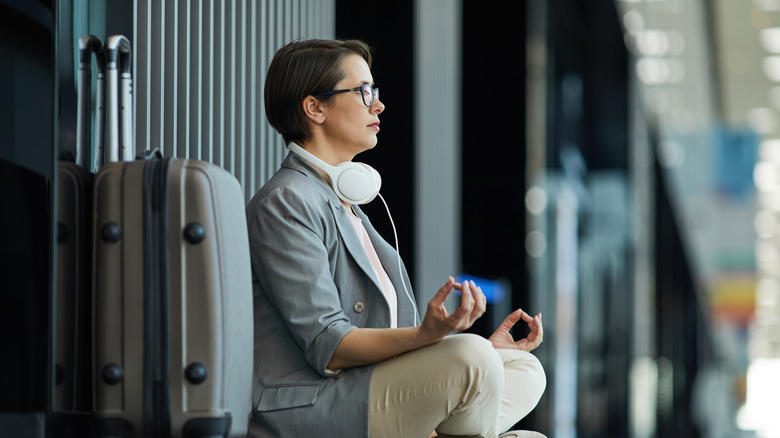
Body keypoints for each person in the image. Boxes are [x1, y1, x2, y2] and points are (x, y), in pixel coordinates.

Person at [246, 38, 547, 438]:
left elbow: (392, 333)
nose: (378, 105)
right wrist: (432, 337)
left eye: (375, 91)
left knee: (524, 368)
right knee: (474, 359)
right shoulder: (286, 201)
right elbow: (329, 346)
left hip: (367, 388)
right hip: (316, 403)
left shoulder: (346, 202)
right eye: (363, 91)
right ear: (314, 107)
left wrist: (480, 355)